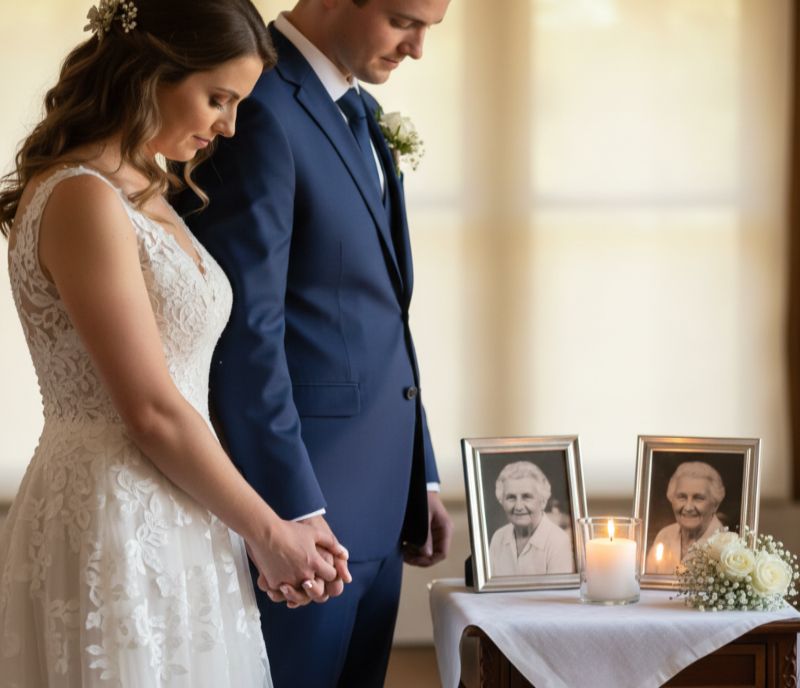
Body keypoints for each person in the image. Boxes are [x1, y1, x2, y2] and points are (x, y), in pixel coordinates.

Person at [0, 1, 351, 685]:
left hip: (188, 504)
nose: (229, 125)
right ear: (149, 71)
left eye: (239, 103)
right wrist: (270, 532)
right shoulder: (83, 199)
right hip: (116, 510)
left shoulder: (151, 191)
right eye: (217, 97)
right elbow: (153, 409)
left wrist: (259, 524)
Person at [172, 0, 453, 685]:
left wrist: (423, 471)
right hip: (304, 512)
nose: (417, 48)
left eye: (429, 28)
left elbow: (377, 313)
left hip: (382, 502)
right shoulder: (255, 106)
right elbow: (246, 329)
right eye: (403, 20)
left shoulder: (358, 110)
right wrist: (292, 506)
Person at [488, 461, 575, 576]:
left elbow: (557, 593)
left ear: (543, 501)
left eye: (527, 497)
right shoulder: (498, 537)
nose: (518, 507)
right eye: (511, 498)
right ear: (501, 501)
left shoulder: (558, 541)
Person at [645, 461, 726, 574]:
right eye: (681, 497)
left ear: (715, 505)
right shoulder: (665, 535)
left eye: (698, 498)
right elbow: (648, 583)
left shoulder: (726, 547)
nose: (688, 507)